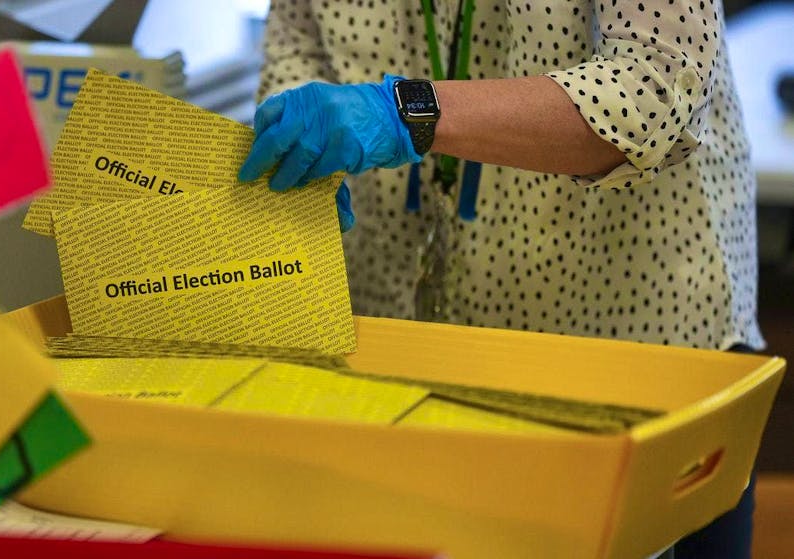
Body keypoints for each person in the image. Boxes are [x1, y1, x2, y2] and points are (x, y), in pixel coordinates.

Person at [238, 1, 764, 558]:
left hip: (624, 328)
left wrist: (407, 111)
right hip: (406, 341)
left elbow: (659, 90)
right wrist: (303, 138)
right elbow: (300, 43)